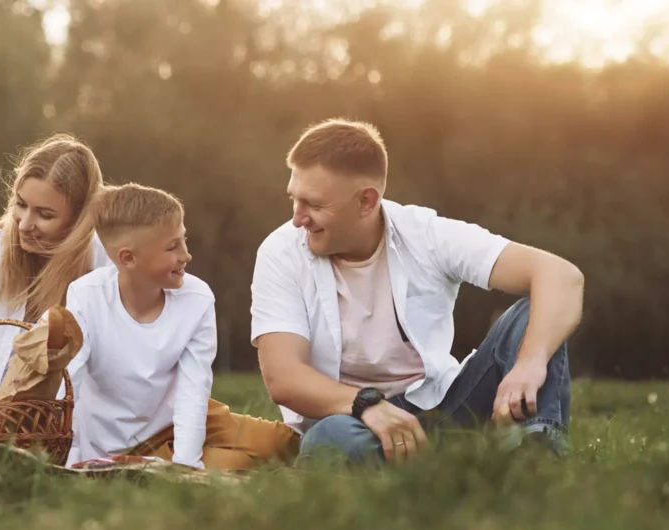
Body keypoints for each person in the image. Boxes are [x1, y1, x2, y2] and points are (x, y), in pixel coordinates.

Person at [250, 118, 584, 465]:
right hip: (352, 421)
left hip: (447, 409)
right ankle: (457, 469)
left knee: (533, 312)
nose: (297, 218)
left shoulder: (425, 234)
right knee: (330, 440)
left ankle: (538, 461)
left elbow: (561, 276)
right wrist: (367, 405)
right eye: (294, 199)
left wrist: (529, 363)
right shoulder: (281, 253)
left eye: (314, 205)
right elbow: (284, 377)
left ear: (366, 201)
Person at [65, 183, 299, 470]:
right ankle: (161, 459)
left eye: (183, 240)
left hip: (179, 415)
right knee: (236, 464)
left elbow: (193, 387)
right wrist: (71, 457)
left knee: (282, 443)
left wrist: (186, 462)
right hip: (119, 440)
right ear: (128, 258)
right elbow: (69, 384)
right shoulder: (85, 296)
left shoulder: (196, 298)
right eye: (172, 247)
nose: (186, 255)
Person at [0, 134, 111, 391]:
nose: (26, 224)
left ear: (79, 218)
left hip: (75, 427)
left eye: (45, 214)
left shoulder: (106, 267)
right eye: (21, 204)